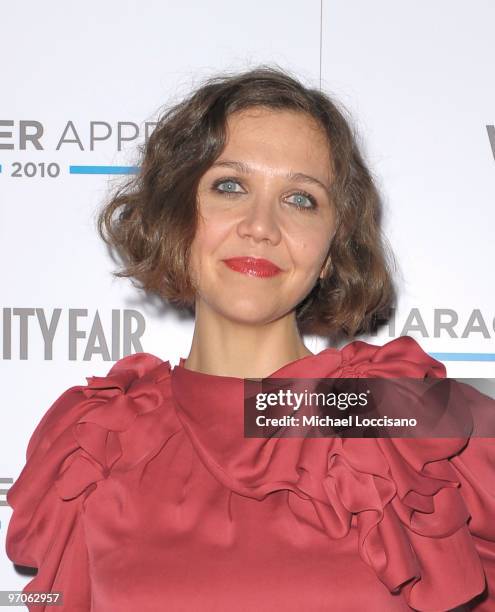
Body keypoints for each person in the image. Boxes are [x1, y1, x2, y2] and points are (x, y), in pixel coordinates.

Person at [5, 66, 494, 611]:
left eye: (301, 199)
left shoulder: (391, 415)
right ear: (178, 218)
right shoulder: (98, 441)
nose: (260, 224)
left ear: (332, 250)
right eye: (229, 186)